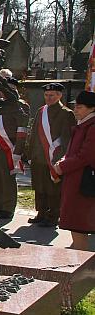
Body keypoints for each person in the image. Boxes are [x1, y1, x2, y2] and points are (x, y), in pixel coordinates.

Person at [26, 82, 76, 227]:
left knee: (53, 187)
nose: (48, 98)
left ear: (59, 96)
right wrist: (29, 153)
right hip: (38, 155)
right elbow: (34, 133)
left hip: (54, 156)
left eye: (52, 95)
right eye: (46, 95)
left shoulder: (66, 113)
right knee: (39, 186)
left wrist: (62, 158)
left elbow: (67, 139)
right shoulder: (41, 111)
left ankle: (53, 215)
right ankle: (41, 212)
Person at [53, 91, 95, 250]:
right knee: (77, 228)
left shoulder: (92, 127)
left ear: (92, 108)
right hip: (76, 181)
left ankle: (82, 263)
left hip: (84, 183)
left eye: (80, 107)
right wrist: (62, 161)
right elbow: (72, 152)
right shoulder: (82, 125)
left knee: (80, 227)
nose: (75, 110)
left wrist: (62, 167)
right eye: (75, 106)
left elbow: (86, 156)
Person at [0, 77, 29, 219]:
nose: (7, 91)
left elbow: (22, 130)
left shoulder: (20, 105)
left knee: (7, 178)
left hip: (9, 146)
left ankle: (8, 206)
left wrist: (18, 151)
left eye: (11, 88)